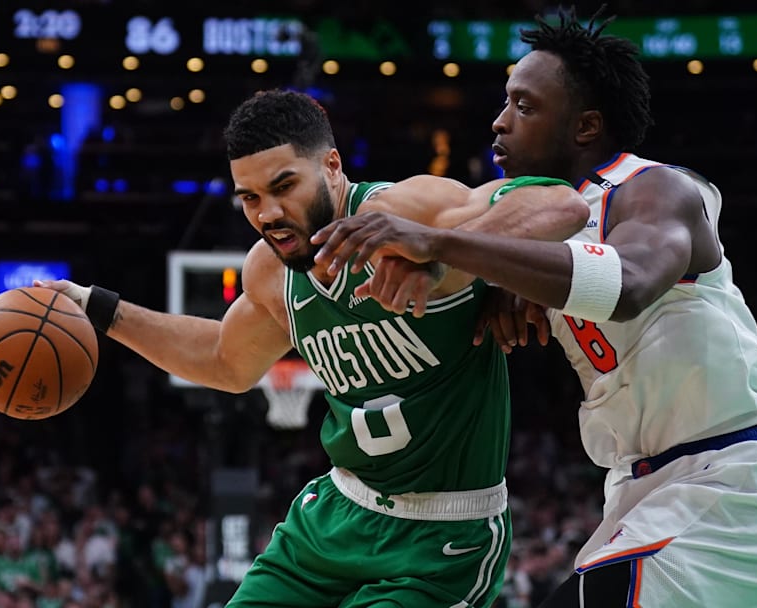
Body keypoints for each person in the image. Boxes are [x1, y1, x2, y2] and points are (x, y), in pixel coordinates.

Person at [312, 8, 757, 607]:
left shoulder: (654, 189)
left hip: (740, 476)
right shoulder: (541, 226)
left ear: (584, 128)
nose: (499, 122)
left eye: (525, 107)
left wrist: (446, 244)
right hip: (644, 486)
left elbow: (629, 284)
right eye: (505, 102)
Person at [37, 89, 590, 606]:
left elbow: (559, 203)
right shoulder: (269, 272)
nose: (267, 214)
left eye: (283, 187)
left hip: (441, 539)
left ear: (331, 167)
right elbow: (226, 361)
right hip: (332, 519)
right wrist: (99, 308)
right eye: (250, 198)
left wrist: (446, 254)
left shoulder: (407, 211)